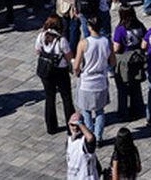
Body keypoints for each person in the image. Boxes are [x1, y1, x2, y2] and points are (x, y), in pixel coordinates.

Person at [75, 11, 114, 142]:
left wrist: (77, 72)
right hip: (101, 80)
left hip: (87, 81)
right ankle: (98, 137)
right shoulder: (107, 41)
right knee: (100, 111)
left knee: (86, 110)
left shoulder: (83, 43)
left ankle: (89, 135)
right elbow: (112, 61)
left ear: (89, 27)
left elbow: (76, 65)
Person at [38, 16, 76, 135]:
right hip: (60, 71)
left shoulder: (41, 36)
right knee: (66, 98)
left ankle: (51, 127)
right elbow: (69, 57)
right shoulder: (61, 40)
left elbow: (38, 50)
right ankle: (71, 126)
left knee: (49, 97)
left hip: (46, 71)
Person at [66, 113, 101, 180]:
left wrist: (80, 123)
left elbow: (91, 138)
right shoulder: (69, 140)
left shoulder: (84, 141)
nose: (75, 128)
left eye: (77, 125)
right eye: (72, 125)